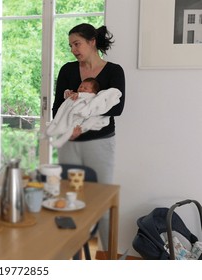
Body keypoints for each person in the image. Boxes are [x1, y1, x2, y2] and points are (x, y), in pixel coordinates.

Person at [52, 23, 125, 250]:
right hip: (70, 143)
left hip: (100, 145)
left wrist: (86, 104)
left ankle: (107, 256)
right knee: (70, 199)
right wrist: (68, 118)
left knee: (101, 200)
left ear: (92, 41)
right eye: (71, 45)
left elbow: (117, 108)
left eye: (77, 44)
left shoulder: (114, 71)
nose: (74, 49)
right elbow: (57, 108)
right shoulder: (67, 70)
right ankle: (70, 253)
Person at [47, 77, 121, 148]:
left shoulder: (92, 96)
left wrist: (79, 94)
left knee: (72, 129)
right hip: (73, 115)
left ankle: (60, 141)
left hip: (81, 117)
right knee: (64, 125)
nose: (81, 89)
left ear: (94, 91)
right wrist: (68, 93)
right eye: (80, 87)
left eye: (85, 88)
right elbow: (67, 98)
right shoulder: (77, 95)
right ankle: (54, 131)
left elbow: (89, 96)